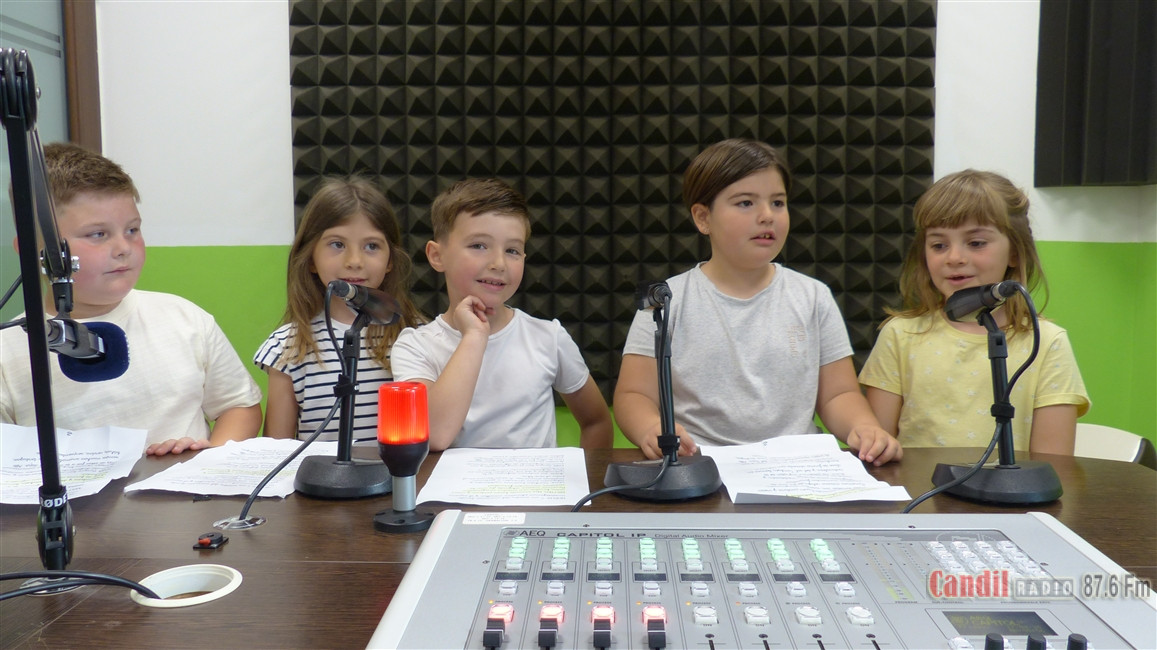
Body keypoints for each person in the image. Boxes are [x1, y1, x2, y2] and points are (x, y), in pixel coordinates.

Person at [614, 138, 902, 465]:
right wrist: (651, 428)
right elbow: (634, 394)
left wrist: (863, 427)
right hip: (700, 466)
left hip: (797, 465)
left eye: (778, 202)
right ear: (703, 218)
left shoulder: (813, 296)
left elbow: (838, 394)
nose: (767, 216)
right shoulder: (666, 300)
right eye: (746, 203)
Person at [0, 142, 262, 455]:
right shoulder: (6, 352)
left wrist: (208, 459)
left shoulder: (185, 319)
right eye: (98, 234)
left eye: (132, 230)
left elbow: (239, 407)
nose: (124, 248)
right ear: (33, 251)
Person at [859, 170, 1089, 453]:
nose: (954, 258)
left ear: (1015, 251)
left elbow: (1053, 464)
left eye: (976, 243)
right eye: (939, 245)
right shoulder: (900, 335)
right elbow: (876, 452)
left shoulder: (1047, 343)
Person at [390, 178, 613, 451]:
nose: (498, 263)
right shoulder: (415, 346)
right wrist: (474, 337)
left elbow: (596, 421)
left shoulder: (548, 338)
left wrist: (586, 476)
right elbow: (434, 434)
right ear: (437, 255)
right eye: (479, 246)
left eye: (512, 250)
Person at [254, 177, 424, 442]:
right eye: (337, 244)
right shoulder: (286, 347)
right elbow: (277, 450)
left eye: (371, 246)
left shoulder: (419, 335)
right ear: (311, 258)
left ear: (390, 259)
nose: (354, 261)